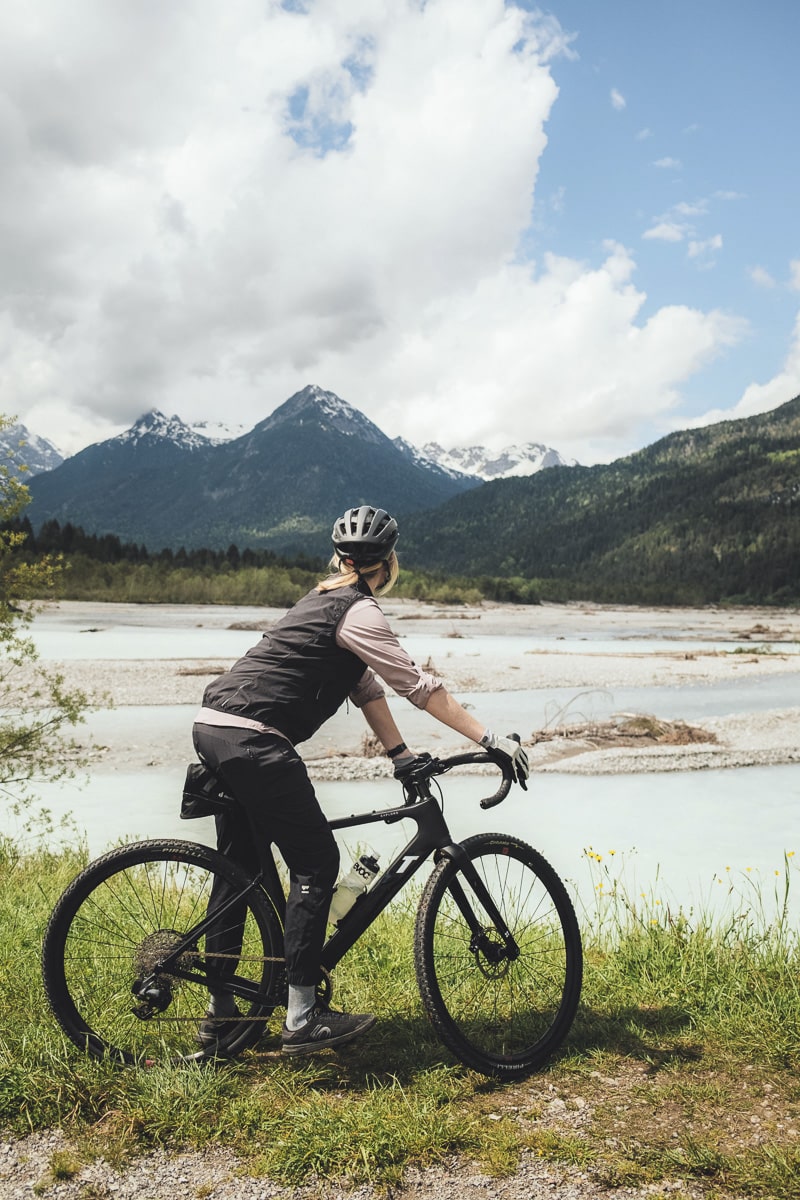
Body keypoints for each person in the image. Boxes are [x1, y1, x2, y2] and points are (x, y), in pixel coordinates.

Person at [192, 504, 529, 1056]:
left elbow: (366, 687)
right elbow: (418, 687)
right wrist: (491, 738)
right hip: (254, 739)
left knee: (242, 872)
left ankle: (223, 1016)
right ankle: (301, 1019)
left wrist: (399, 754)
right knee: (317, 862)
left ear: (341, 557)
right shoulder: (359, 611)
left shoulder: (322, 600)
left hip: (214, 728)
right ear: (390, 561)